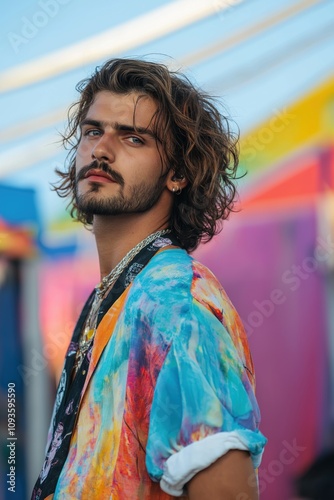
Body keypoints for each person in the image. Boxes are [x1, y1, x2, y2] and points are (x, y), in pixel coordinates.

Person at [32, 58, 266, 500]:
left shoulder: (172, 304)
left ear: (177, 174)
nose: (101, 149)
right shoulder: (113, 298)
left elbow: (227, 491)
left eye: (133, 137)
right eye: (92, 131)